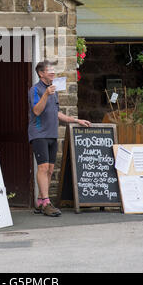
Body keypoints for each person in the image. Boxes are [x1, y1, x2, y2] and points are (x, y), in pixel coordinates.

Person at [28, 60, 91, 217]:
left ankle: (41, 201)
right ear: (41, 73)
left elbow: (57, 113)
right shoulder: (35, 89)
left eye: (54, 71)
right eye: (50, 71)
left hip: (52, 133)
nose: (53, 73)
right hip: (39, 133)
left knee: (49, 169)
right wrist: (45, 95)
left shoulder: (54, 90)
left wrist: (76, 120)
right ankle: (47, 203)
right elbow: (36, 110)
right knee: (42, 168)